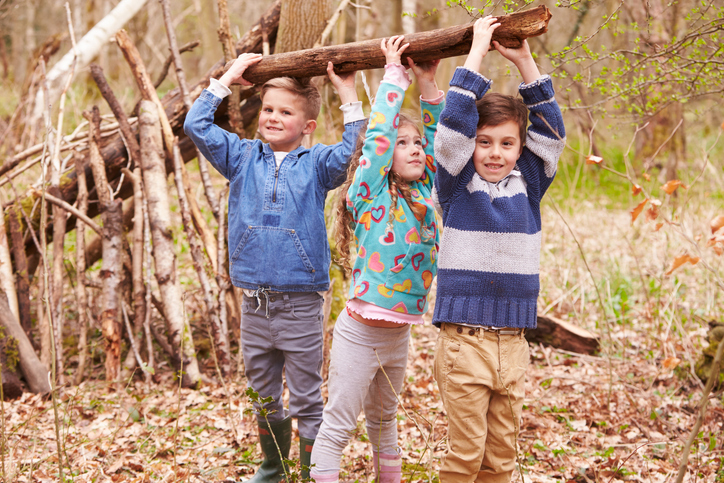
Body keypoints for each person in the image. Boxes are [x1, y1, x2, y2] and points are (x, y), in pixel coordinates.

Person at [184, 53, 365, 482]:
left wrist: (346, 93)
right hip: (254, 305)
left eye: (286, 112)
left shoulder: (318, 165)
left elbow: (353, 150)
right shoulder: (241, 156)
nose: (272, 117)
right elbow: (196, 125)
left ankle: (309, 472)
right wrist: (226, 78)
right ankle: (273, 468)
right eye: (268, 109)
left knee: (305, 398)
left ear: (307, 127)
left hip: (301, 303)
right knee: (263, 394)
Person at [432, 16, 566, 483]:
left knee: (500, 460)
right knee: (466, 455)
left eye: (507, 143)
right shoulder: (454, 185)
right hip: (464, 343)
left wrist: (525, 61)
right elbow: (451, 130)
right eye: (484, 143)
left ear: (518, 148)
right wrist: (477, 52)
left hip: (513, 342)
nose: (494, 153)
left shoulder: (527, 185)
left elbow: (551, 135)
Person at [309, 36, 444, 483]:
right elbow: (377, 139)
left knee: (386, 425)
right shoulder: (370, 194)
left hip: (398, 335)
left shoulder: (426, 196)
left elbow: (443, 147)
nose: (414, 149)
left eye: (417, 143)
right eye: (403, 143)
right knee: (339, 426)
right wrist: (393, 76)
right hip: (360, 333)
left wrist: (428, 85)